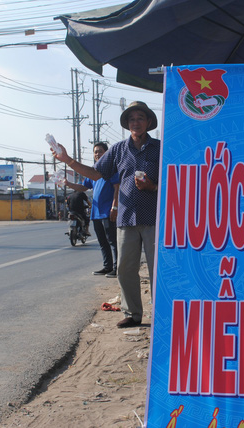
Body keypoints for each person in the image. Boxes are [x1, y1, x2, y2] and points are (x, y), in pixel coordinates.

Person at [51, 101, 160, 328]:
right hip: (126, 217)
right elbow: (96, 173)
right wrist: (68, 160)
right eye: (132, 119)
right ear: (127, 124)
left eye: (140, 118)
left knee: (157, 269)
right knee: (124, 268)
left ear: (149, 122)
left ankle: (161, 314)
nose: (136, 122)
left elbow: (176, 177)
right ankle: (133, 314)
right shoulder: (119, 149)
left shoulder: (161, 148)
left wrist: (154, 187)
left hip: (155, 218)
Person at [61, 143, 120, 278]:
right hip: (96, 212)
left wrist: (114, 207)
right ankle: (107, 266)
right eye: (95, 152)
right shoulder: (93, 171)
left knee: (112, 241)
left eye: (100, 151)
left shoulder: (111, 169)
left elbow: (117, 188)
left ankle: (117, 268)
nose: (97, 154)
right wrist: (69, 184)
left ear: (107, 153)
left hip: (108, 211)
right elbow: (83, 187)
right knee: (102, 241)